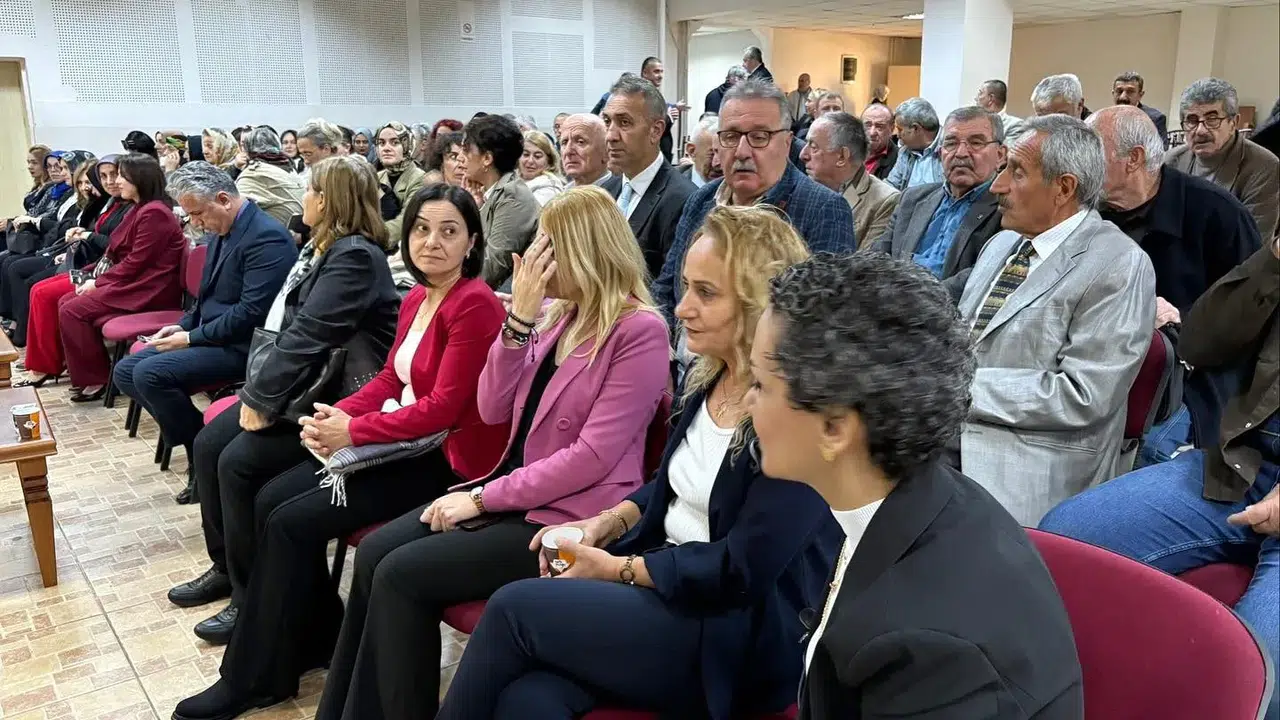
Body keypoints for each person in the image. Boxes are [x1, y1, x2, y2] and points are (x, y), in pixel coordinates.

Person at [434, 205, 834, 720]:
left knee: (513, 609)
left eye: (706, 293)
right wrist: (602, 523)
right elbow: (665, 486)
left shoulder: (797, 413)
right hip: (667, 586)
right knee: (529, 698)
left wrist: (616, 569)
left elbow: (741, 570)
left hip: (730, 631)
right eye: (685, 287)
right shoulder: (711, 378)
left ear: (761, 304)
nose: (682, 308)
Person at [315, 186, 670, 720]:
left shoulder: (638, 330)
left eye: (548, 247)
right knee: (375, 554)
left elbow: (591, 457)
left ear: (584, 252)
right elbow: (492, 405)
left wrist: (482, 499)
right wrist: (518, 323)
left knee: (401, 574)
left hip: (567, 515)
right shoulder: (556, 315)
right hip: (512, 487)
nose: (535, 259)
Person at [172, 182, 506, 720]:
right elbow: (391, 378)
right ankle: (309, 638)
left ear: (471, 242)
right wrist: (338, 414)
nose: (432, 242)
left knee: (289, 520)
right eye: (422, 229)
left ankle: (254, 678)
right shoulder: (419, 296)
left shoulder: (474, 304)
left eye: (449, 232)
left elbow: (443, 408)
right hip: (403, 440)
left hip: (442, 461)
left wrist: (356, 431)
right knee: (271, 500)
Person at [754, 252, 1084, 719]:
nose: (746, 402)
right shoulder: (915, 498)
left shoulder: (933, 652)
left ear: (835, 428)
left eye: (760, 385)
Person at [1040, 240, 1280, 720]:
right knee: (1063, 542)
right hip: (1244, 466)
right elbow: (1199, 345)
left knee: (1257, 670)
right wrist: (1272, 262)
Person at [958, 114, 1155, 525]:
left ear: (1064, 188)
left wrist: (956, 388)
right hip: (952, 431)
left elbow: (1083, 395)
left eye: (1016, 172)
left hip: (1031, 460)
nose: (997, 186)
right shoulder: (1001, 244)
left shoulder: (1120, 264)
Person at [1089, 105, 1261, 466]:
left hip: (1190, 378)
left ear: (1134, 159)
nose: (1080, 163)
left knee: (1147, 450)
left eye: (1092, 152)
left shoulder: (1217, 213)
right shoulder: (1089, 212)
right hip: (1100, 362)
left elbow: (1252, 312)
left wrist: (1180, 318)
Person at [115, 162, 297, 504]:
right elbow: (206, 298)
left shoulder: (266, 237)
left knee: (150, 374)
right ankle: (200, 441)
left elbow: (250, 314)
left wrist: (189, 338)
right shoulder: (223, 231)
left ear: (224, 199)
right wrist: (183, 325)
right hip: (213, 334)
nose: (195, 223)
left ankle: (201, 453)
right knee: (126, 371)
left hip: (245, 346)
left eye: (198, 213)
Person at [650, 79, 856, 329]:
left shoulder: (824, 209)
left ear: (787, 143)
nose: (741, 151)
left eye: (759, 137)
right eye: (730, 137)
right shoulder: (700, 200)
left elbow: (823, 322)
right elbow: (666, 288)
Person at [57, 153, 185, 402]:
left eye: (122, 176)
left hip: (148, 288)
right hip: (134, 282)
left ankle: (98, 379)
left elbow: (137, 262)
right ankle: (93, 372)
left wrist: (98, 282)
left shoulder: (154, 213)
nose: (117, 182)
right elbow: (117, 252)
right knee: (66, 301)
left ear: (140, 179)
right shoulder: (139, 208)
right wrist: (92, 273)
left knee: (72, 310)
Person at [874, 106, 1006, 300]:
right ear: (940, 151)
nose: (961, 153)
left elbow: (982, 275)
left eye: (976, 143)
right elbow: (879, 254)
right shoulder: (912, 198)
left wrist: (912, 300)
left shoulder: (1007, 210)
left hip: (944, 310)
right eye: (951, 143)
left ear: (1000, 155)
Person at [15, 156, 129, 361]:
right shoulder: (110, 203)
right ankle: (44, 360)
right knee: (37, 287)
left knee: (48, 294)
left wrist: (86, 239)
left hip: (108, 273)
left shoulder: (137, 208)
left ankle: (51, 362)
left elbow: (119, 249)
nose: (110, 181)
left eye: (115, 175)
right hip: (93, 265)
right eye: (103, 176)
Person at [601, 74, 697, 281]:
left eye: (624, 122)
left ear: (656, 130)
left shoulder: (684, 200)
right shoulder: (605, 192)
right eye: (607, 121)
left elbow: (673, 288)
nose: (610, 135)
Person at [1165, 77, 1280, 239]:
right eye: (1192, 120)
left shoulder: (1263, 166)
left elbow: (1253, 242)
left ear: (1234, 123)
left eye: (1212, 119)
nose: (1200, 130)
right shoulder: (1171, 160)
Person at [1, 156, 99, 333]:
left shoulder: (95, 205)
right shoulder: (69, 196)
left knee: (27, 278)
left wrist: (38, 224)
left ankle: (24, 331)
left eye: (64, 168)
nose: (58, 171)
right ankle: (17, 324)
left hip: (81, 261)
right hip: (65, 250)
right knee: (10, 261)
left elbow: (91, 238)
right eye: (81, 183)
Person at [461, 114, 540, 289]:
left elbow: (491, 269)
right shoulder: (493, 193)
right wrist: (474, 207)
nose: (461, 157)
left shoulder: (512, 196)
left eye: (466, 150)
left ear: (487, 159)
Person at [799, 111, 900, 248]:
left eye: (813, 147)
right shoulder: (802, 189)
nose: (803, 155)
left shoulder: (884, 202)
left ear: (842, 156)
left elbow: (865, 260)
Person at [234, 127, 305, 227]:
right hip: (295, 230)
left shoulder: (254, 172)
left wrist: (235, 168)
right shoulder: (289, 166)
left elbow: (233, 210)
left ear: (248, 151)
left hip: (275, 233)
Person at [886, 97, 943, 190]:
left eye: (900, 129)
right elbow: (890, 186)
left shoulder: (950, 149)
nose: (898, 135)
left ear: (915, 128)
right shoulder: (905, 152)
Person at [1112, 71, 1168, 148]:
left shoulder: (1154, 119)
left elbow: (1160, 151)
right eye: (1119, 91)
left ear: (1140, 95)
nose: (1123, 97)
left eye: (1130, 92)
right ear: (1113, 93)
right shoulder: (1104, 118)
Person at [557, 114, 612, 188]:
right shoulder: (562, 192)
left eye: (580, 142)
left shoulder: (621, 191)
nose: (568, 151)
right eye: (564, 142)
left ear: (606, 151)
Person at [519, 130, 566, 206]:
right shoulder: (510, 178)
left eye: (537, 156)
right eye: (526, 154)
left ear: (549, 160)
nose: (530, 161)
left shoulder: (550, 188)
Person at [678, 115, 723, 188]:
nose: (719, 164)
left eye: (724, 155)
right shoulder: (669, 182)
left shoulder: (739, 187)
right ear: (692, 151)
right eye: (712, 155)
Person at [860, 103, 898, 180]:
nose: (872, 133)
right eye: (867, 125)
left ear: (891, 129)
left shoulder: (899, 159)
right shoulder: (849, 151)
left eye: (879, 126)